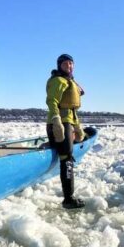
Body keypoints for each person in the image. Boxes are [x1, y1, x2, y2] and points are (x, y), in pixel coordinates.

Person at [45, 53, 86, 209]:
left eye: (71, 63)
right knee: (66, 158)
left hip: (68, 122)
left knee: (67, 155)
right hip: (59, 125)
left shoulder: (70, 82)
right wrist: (56, 121)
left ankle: (69, 197)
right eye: (65, 64)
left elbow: (71, 111)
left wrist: (78, 127)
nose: (69, 66)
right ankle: (68, 199)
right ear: (59, 65)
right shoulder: (58, 81)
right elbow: (52, 101)